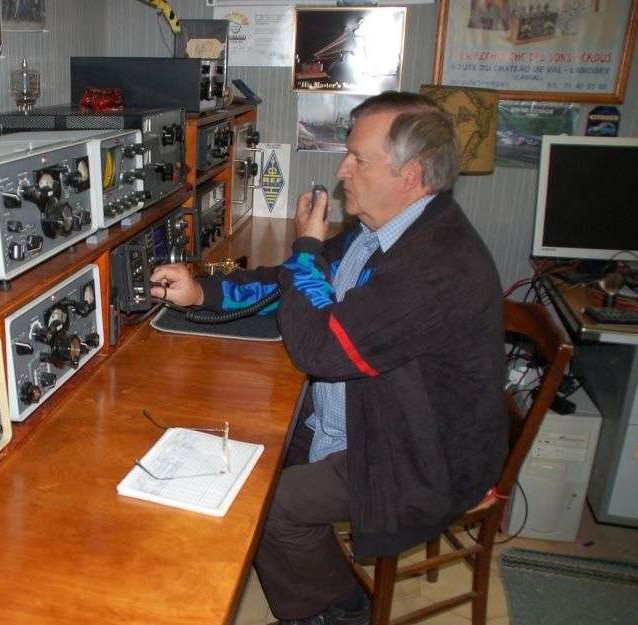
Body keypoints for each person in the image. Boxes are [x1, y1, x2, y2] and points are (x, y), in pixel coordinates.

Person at [150, 91, 507, 625]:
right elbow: (292, 286)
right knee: (232, 448)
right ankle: (299, 584)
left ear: (410, 175)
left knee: (268, 503)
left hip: (418, 450)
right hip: (372, 410)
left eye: (358, 159)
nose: (342, 170)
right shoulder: (380, 232)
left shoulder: (438, 265)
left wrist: (306, 247)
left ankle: (339, 612)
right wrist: (202, 292)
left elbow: (321, 346)